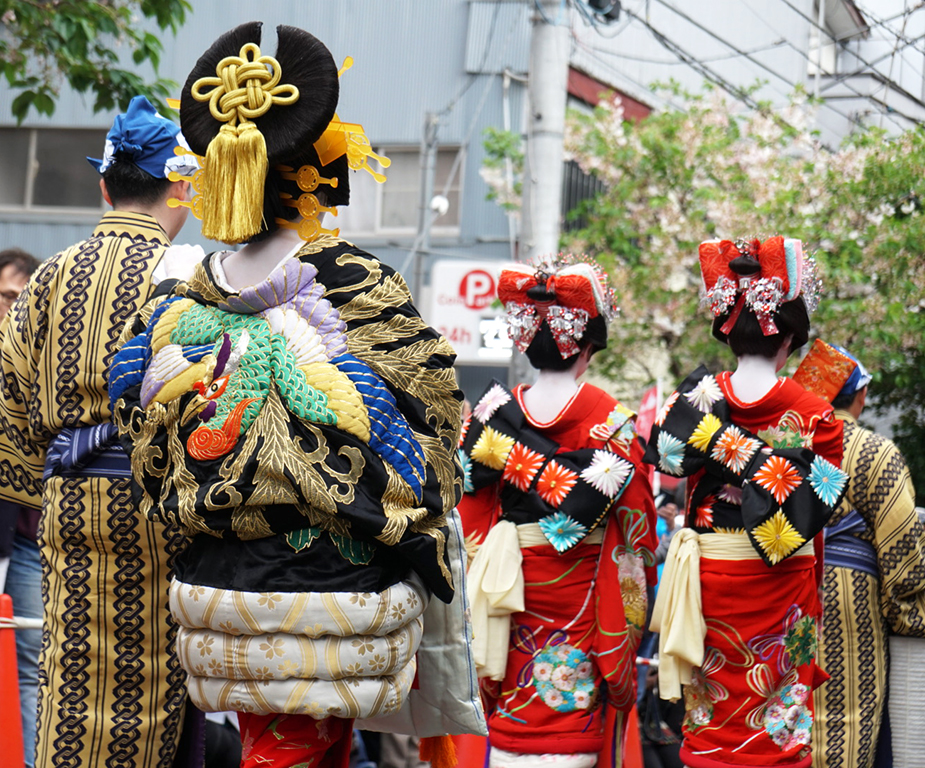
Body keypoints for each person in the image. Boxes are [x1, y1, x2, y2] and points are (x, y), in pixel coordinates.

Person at [110, 22, 481, 768]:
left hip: (224, 572)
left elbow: (138, 428)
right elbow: (434, 410)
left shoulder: (175, 304)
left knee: (274, 748)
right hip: (336, 576)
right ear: (320, 167)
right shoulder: (354, 283)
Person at [0, 97, 198, 767]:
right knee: (151, 680)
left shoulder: (50, 274)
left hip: (66, 506)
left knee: (67, 675)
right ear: (181, 184)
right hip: (159, 507)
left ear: (104, 184)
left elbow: (8, 397)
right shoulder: (188, 277)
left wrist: (36, 491)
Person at [644, 236, 849, 768]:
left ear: (727, 329)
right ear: (793, 338)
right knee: (777, 724)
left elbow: (665, 461)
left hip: (708, 577)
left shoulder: (695, 401)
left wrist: (719, 444)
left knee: (710, 715)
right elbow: (815, 517)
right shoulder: (817, 415)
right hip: (785, 583)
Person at [457, 258, 658, 768]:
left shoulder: (490, 415)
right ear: (587, 347)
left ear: (527, 342)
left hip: (506, 594)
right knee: (574, 713)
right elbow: (637, 536)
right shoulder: (611, 420)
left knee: (504, 705)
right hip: (587, 601)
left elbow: (468, 519)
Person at [796, 343, 925, 768]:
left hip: (783, 594)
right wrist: (906, 615)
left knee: (784, 715)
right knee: (845, 722)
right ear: (860, 395)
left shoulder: (777, 449)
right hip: (849, 605)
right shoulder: (875, 452)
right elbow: (904, 553)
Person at [0, 247, 41, 768]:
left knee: (31, 662)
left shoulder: (40, 361)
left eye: (21, 300)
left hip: (31, 538)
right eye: (6, 295)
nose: (12, 308)